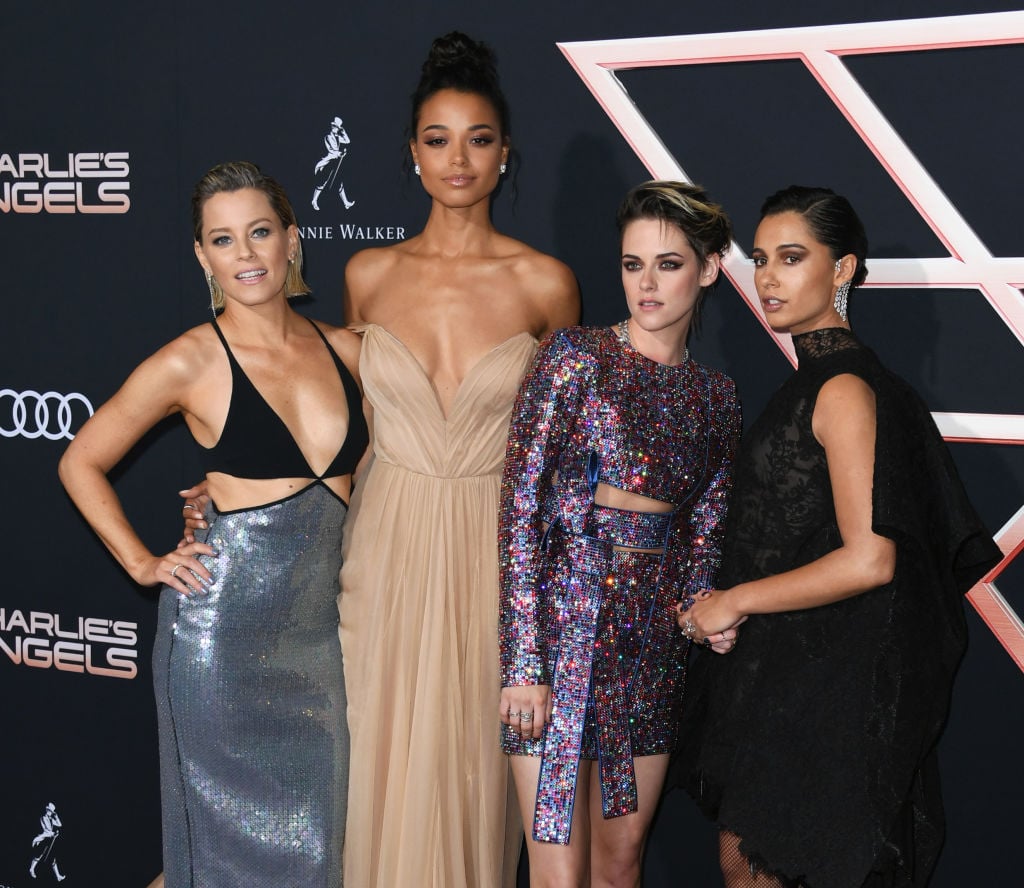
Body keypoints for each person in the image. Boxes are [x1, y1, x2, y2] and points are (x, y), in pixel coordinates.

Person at [676, 186, 1001, 887]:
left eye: (792, 257)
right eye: (761, 258)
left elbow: (870, 558)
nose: (768, 277)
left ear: (843, 268)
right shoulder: (819, 383)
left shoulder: (844, 390)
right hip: (783, 677)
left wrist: (735, 601)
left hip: (822, 690)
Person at [59, 161, 367, 887]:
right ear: (203, 256)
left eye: (260, 232)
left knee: (313, 856)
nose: (245, 254)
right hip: (218, 643)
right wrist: (142, 562)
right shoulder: (189, 361)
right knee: (214, 861)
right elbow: (80, 462)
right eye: (223, 240)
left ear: (292, 239)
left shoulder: (351, 351)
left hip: (320, 650)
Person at [341, 32, 577, 888]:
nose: (458, 159)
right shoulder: (368, 275)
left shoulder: (545, 283)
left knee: (474, 773)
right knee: (373, 766)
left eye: (478, 139)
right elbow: (345, 426)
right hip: (383, 546)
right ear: (413, 153)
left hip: (491, 550)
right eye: (438, 140)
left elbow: (564, 450)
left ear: (505, 153)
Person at [499, 180, 742, 886]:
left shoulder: (717, 397)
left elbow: (704, 534)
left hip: (651, 650)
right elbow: (520, 510)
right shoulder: (572, 357)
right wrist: (524, 662)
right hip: (560, 630)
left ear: (708, 268)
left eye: (669, 264)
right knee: (558, 873)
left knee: (620, 865)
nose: (647, 283)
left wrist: (700, 617)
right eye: (634, 264)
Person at [29, 802, 66, 881]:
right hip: (42, 838)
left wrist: (56, 816)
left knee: (52, 857)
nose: (50, 812)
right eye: (49, 811)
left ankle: (58, 876)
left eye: (51, 812)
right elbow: (46, 830)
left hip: (49, 840)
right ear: (46, 810)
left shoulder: (51, 819)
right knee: (39, 854)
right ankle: (31, 869)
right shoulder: (43, 817)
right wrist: (54, 833)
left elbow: (60, 824)